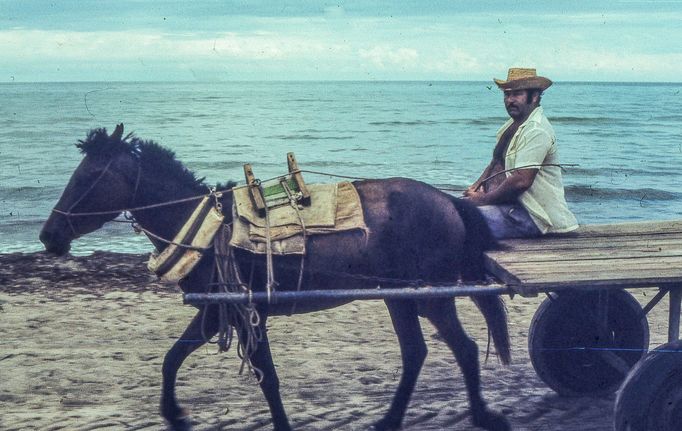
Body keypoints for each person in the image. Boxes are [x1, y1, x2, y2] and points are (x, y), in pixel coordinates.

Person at [463, 68, 578, 239]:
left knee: (457, 222)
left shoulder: (536, 130)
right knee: (449, 210)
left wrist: (483, 200)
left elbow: (521, 180)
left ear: (535, 96)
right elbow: (496, 161)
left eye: (517, 94)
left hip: (534, 217)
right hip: (510, 207)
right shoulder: (512, 125)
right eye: (507, 94)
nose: (510, 100)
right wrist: (476, 187)